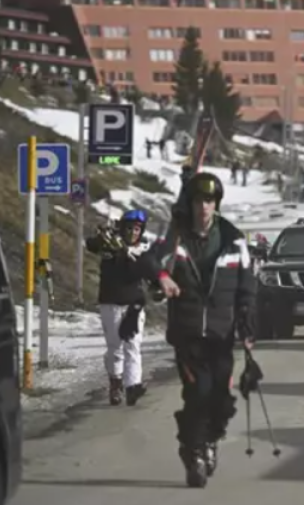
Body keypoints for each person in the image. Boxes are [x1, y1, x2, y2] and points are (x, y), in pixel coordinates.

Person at [144, 172, 256, 489]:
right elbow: (152, 260)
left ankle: (210, 440)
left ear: (216, 204)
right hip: (188, 335)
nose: (203, 207)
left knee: (221, 397)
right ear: (190, 204)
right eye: (198, 201)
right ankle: (193, 449)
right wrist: (163, 277)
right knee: (198, 392)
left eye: (209, 201)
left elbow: (247, 287)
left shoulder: (234, 240)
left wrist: (248, 321)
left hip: (222, 336)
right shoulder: (176, 238)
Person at [85, 209, 153, 407]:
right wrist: (104, 239)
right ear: (123, 228)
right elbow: (90, 245)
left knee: (133, 346)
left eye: (137, 229)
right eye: (130, 228)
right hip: (111, 302)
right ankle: (116, 384)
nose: (133, 233)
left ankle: (133, 387)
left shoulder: (144, 249)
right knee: (116, 348)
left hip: (134, 305)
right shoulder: (109, 245)